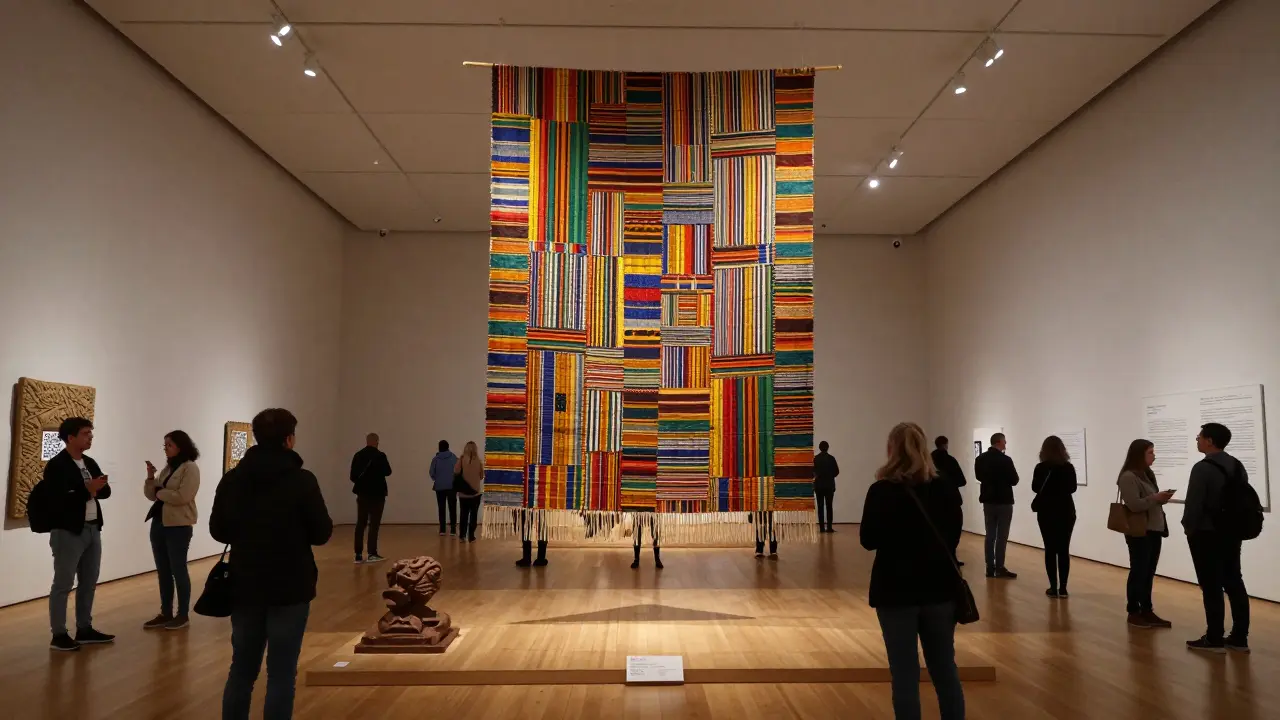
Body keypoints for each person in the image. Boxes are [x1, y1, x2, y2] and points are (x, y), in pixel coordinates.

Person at [211, 408, 333, 720]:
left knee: (242, 670)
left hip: (245, 584)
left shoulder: (233, 480)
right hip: (289, 586)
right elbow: (321, 533)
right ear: (289, 439)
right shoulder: (302, 481)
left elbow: (218, 530)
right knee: (281, 674)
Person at [860, 422, 965, 720]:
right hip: (940, 590)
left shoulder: (881, 491)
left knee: (904, 675)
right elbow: (954, 536)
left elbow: (868, 540)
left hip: (895, 591)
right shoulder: (944, 488)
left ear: (891, 449)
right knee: (945, 670)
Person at [42, 417, 115, 652]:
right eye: (85, 433)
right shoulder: (57, 465)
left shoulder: (90, 462)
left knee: (89, 582)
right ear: (70, 437)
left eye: (90, 433)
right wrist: (87, 490)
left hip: (93, 529)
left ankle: (84, 628)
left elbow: (105, 492)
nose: (90, 437)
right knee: (63, 584)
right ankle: (59, 634)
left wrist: (99, 487)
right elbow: (56, 501)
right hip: (68, 531)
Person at [1183, 422, 1251, 654]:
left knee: (1211, 585)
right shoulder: (1237, 465)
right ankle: (1240, 638)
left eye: (1199, 436)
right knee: (1234, 581)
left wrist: (1188, 529)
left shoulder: (1202, 468)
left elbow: (1194, 505)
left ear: (1210, 440)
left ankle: (1214, 638)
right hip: (1232, 532)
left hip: (1206, 533)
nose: (1197, 440)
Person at [142, 430, 202, 630]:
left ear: (180, 446)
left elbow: (183, 496)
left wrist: (161, 493)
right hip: (159, 523)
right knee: (163, 571)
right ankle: (165, 612)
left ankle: (182, 614)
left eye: (169, 445)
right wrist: (151, 478)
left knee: (178, 569)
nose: (165, 448)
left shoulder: (190, 468)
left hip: (178, 526)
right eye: (164, 445)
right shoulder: (168, 469)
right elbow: (152, 495)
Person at [1117, 439, 1174, 629]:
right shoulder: (1128, 477)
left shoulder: (1146, 474)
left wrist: (1160, 499)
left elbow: (1148, 501)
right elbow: (1134, 504)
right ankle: (1133, 611)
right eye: (1150, 452)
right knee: (1139, 571)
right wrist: (1155, 498)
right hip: (1139, 530)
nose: (1154, 455)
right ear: (1139, 454)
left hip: (1154, 529)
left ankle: (1147, 610)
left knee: (1148, 572)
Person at [1030, 436, 1077, 599]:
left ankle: (1053, 587)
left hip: (1046, 511)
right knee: (1063, 550)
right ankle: (1063, 588)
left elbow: (1035, 488)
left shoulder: (1041, 468)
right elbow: (1073, 488)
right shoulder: (1068, 467)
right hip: (1066, 511)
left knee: (1050, 549)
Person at [975, 432, 1019, 579]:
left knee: (990, 535)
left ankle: (989, 567)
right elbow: (1014, 480)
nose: (1005, 445)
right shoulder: (1006, 460)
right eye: (1004, 442)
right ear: (999, 442)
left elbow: (978, 477)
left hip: (988, 501)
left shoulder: (980, 459)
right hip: (1004, 501)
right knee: (1002, 536)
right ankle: (999, 567)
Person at [350, 433, 392, 563]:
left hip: (362, 494)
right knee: (374, 524)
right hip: (378, 494)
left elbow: (352, 476)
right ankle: (372, 553)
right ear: (376, 441)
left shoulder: (358, 455)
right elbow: (388, 472)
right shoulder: (380, 456)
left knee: (360, 523)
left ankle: (358, 554)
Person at [931, 436, 967, 565]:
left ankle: (938, 558)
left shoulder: (928, 460)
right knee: (953, 531)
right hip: (951, 500)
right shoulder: (950, 460)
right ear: (946, 444)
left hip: (933, 501)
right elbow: (962, 481)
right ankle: (951, 558)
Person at [453, 441, 484, 542]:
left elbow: (456, 471)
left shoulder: (461, 460)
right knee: (473, 515)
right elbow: (481, 476)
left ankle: (462, 536)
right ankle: (471, 536)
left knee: (463, 515)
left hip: (463, 493)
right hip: (475, 493)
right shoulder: (479, 461)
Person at [429, 440, 458, 536]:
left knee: (441, 508)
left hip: (440, 486)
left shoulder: (436, 459)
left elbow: (431, 473)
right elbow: (458, 470)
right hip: (452, 486)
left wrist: (438, 479)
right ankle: (453, 529)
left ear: (439, 447)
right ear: (448, 447)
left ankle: (442, 529)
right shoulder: (453, 457)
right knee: (452, 507)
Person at [813, 441, 839, 533]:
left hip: (819, 486)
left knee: (820, 507)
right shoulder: (831, 459)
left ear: (819, 448)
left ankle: (821, 528)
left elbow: (812, 472)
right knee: (829, 506)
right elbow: (836, 472)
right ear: (827, 447)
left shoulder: (815, 459)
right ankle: (829, 527)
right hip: (829, 486)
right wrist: (829, 475)